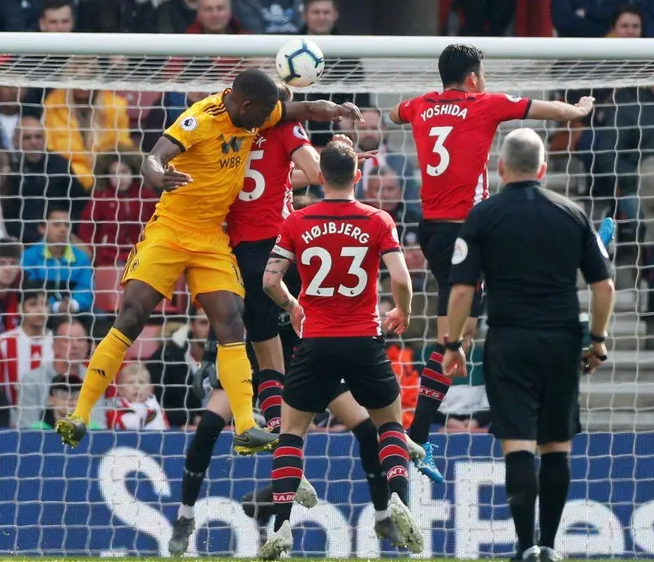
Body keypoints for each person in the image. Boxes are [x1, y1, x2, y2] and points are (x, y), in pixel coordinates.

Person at [56, 67, 362, 454]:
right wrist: (159, 176)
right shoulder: (199, 119)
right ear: (245, 104)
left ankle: (247, 426)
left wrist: (335, 109)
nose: (265, 124)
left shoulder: (257, 111)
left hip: (211, 237)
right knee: (132, 316)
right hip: (171, 229)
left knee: (231, 319)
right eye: (264, 114)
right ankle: (80, 414)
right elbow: (154, 157)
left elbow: (300, 109)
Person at [388, 43, 596, 481]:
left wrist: (414, 112)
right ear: (474, 78)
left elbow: (393, 114)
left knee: (455, 334)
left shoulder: (419, 105)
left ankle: (419, 433)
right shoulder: (484, 104)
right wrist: (578, 110)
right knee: (459, 332)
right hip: (470, 230)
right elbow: (549, 111)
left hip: (430, 230)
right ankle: (420, 432)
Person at [440, 129, 615, 562]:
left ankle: (523, 549)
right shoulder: (572, 213)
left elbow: (462, 290)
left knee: (517, 444)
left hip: (508, 340)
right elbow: (604, 285)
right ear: (543, 168)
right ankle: (551, 549)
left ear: (500, 168)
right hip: (561, 340)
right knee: (556, 446)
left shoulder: (484, 215)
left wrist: (453, 344)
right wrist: (597, 340)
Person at [257, 141, 423, 559]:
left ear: (320, 177)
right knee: (389, 424)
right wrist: (402, 310)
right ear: (357, 176)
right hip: (364, 338)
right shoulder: (378, 219)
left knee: (292, 433)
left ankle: (280, 528)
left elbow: (269, 281)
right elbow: (401, 278)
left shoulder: (298, 221)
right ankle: (398, 497)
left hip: (315, 342)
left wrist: (294, 306)